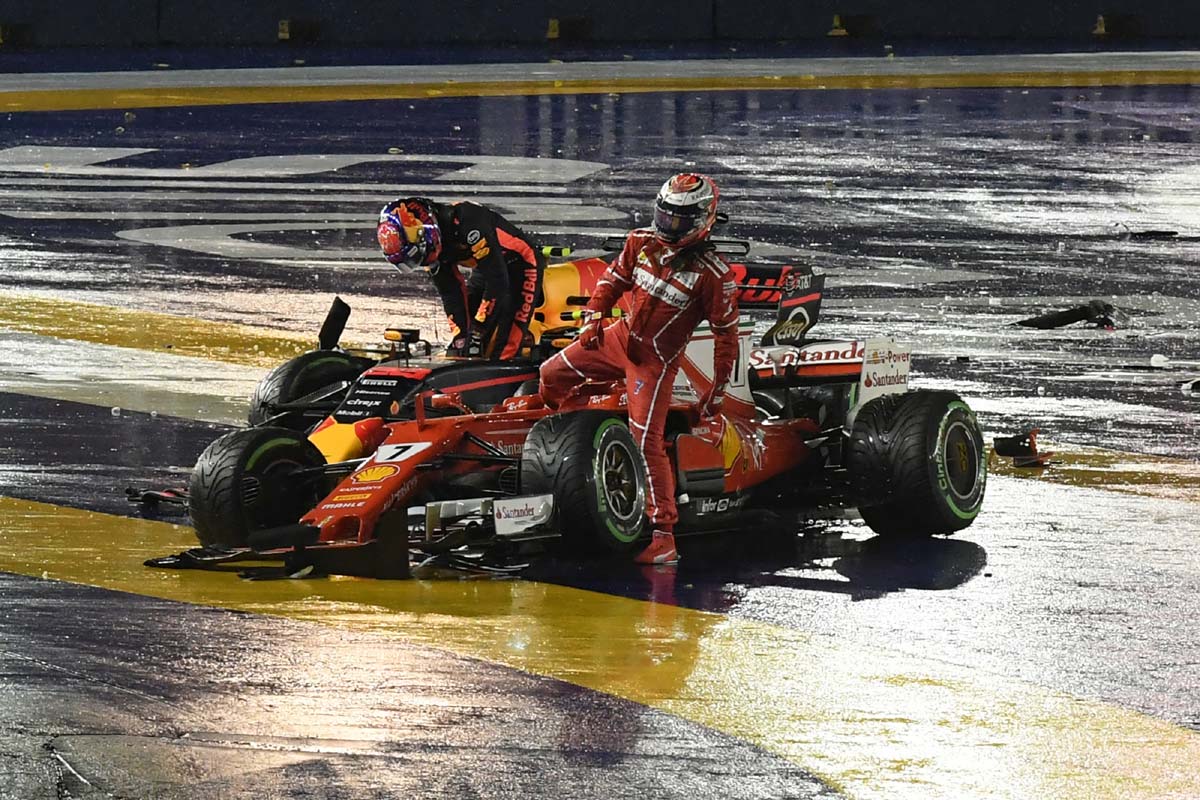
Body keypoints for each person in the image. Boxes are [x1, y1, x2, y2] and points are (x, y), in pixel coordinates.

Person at [538, 173, 739, 565]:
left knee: (647, 440)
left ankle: (664, 534)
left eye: (678, 220)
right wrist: (592, 318)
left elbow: (725, 340)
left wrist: (716, 391)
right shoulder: (639, 242)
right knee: (549, 374)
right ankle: (563, 439)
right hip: (616, 337)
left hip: (655, 363)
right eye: (664, 216)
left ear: (701, 220)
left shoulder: (716, 277)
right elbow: (611, 281)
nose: (668, 226)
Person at [377, 198, 544, 360]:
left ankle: (503, 379)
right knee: (464, 339)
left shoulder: (469, 222)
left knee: (505, 339)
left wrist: (478, 331)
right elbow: (450, 292)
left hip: (521, 263)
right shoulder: (429, 250)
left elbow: (498, 281)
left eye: (418, 256)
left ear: (425, 233)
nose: (421, 262)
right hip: (486, 266)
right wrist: (461, 336)